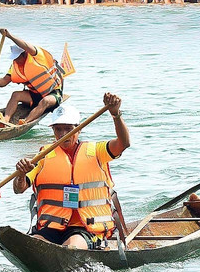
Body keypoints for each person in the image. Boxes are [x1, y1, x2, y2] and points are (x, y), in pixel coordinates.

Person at [12, 93, 129, 249]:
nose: (62, 134)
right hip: (52, 227)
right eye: (58, 129)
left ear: (78, 129)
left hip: (86, 228)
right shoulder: (43, 156)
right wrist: (20, 174)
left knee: (72, 247)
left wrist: (116, 114)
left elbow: (124, 143)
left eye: (68, 129)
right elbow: (18, 189)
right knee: (32, 246)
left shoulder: (97, 151)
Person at [0, 28, 63, 124]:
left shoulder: (36, 57)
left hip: (53, 93)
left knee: (45, 101)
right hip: (34, 95)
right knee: (15, 95)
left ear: (24, 54)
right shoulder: (15, 66)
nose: (16, 60)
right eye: (14, 58)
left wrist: (9, 36)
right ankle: (5, 120)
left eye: (18, 58)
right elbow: (4, 81)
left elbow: (26, 46)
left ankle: (25, 122)